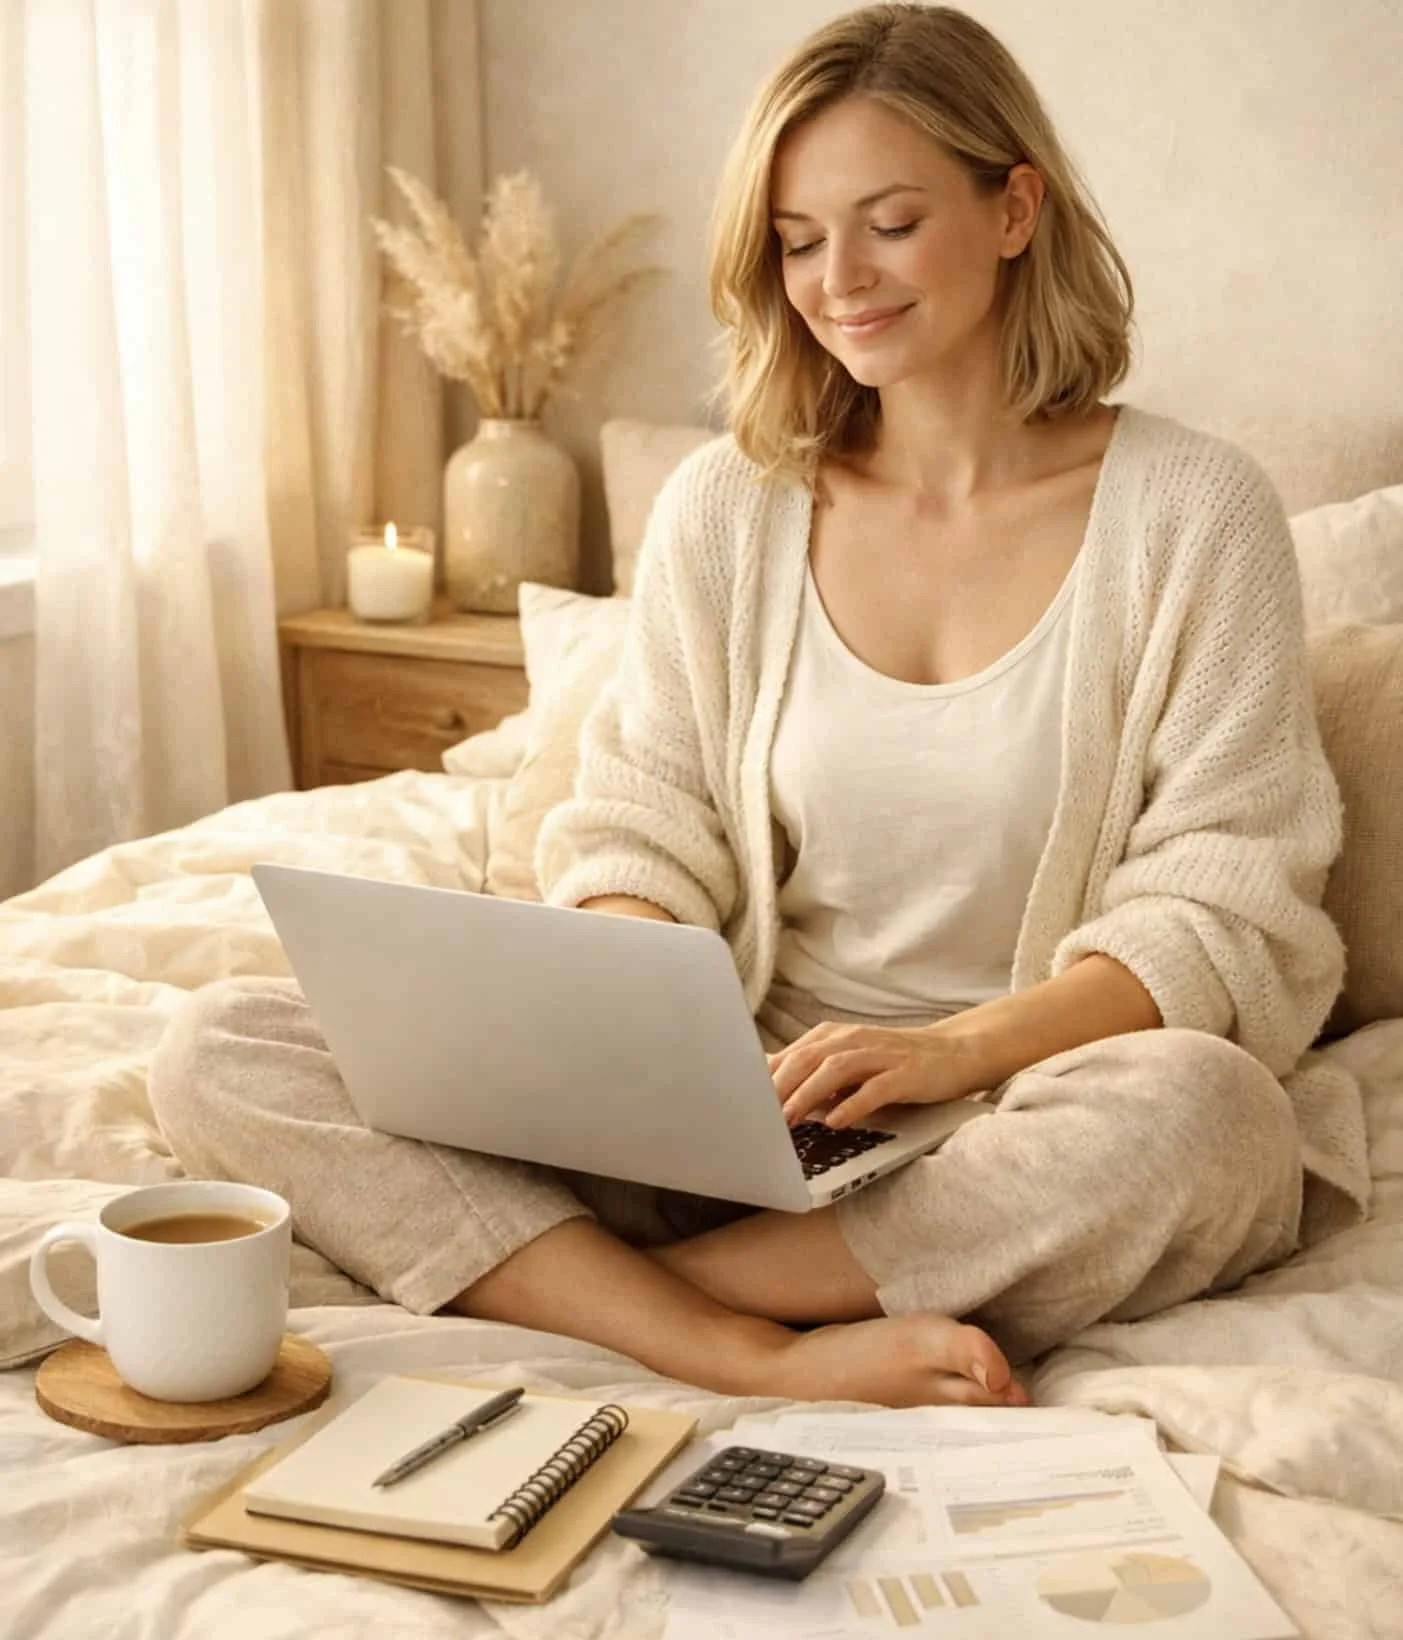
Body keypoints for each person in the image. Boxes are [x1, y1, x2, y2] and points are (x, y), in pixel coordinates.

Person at [150, 3, 1365, 1411]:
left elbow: (1225, 903)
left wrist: (949, 1051)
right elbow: (640, 820)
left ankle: (583, 1291)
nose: (836, 278)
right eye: (796, 240)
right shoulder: (729, 507)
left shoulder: (1193, 513)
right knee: (223, 1044)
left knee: (1211, 1122)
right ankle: (729, 1342)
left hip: (1004, 1112)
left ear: (1013, 206)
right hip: (731, 1111)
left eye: (890, 222)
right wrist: (632, 1024)